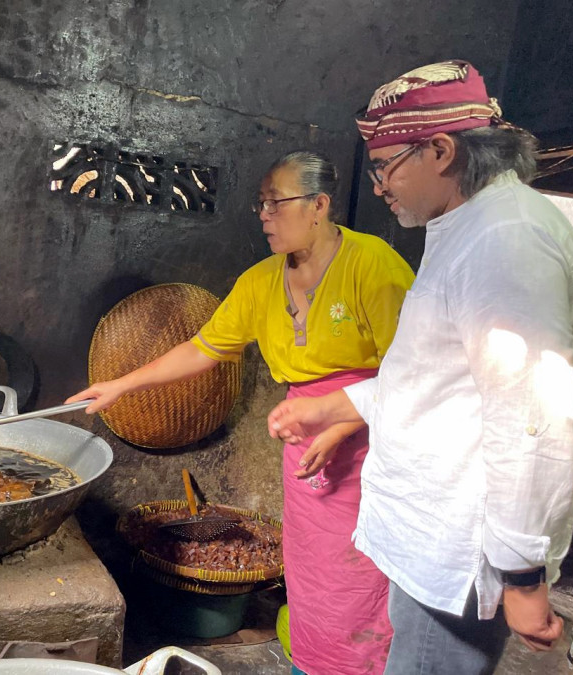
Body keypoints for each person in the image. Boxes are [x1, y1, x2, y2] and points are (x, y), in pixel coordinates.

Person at [268, 60, 573, 675]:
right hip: (428, 538)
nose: (381, 186)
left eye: (386, 166)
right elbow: (436, 382)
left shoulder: (507, 240)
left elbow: (534, 416)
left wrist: (521, 577)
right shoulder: (467, 228)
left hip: (460, 550)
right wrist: (335, 406)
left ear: (440, 150)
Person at [68, 151, 414, 674]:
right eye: (261, 204)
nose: (264, 215)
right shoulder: (260, 281)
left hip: (373, 440)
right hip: (306, 439)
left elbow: (413, 373)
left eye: (276, 202)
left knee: (362, 572)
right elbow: (203, 349)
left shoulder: (375, 265)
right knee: (312, 569)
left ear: (319, 205)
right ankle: (311, 664)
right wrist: (121, 385)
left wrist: (343, 422)